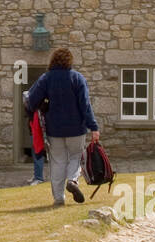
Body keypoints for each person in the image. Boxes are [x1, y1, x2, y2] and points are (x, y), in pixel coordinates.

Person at [23, 47, 99, 206]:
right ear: (70, 61)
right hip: (76, 128)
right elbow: (85, 105)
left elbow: (31, 101)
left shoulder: (46, 78)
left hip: (54, 129)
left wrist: (40, 108)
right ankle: (72, 181)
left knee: (57, 162)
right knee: (75, 157)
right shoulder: (77, 78)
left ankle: (58, 198)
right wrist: (93, 127)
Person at [26, 94, 49, 185]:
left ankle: (39, 178)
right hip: (33, 133)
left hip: (38, 136)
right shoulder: (34, 110)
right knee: (35, 154)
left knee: (38, 154)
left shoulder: (39, 110)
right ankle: (36, 175)